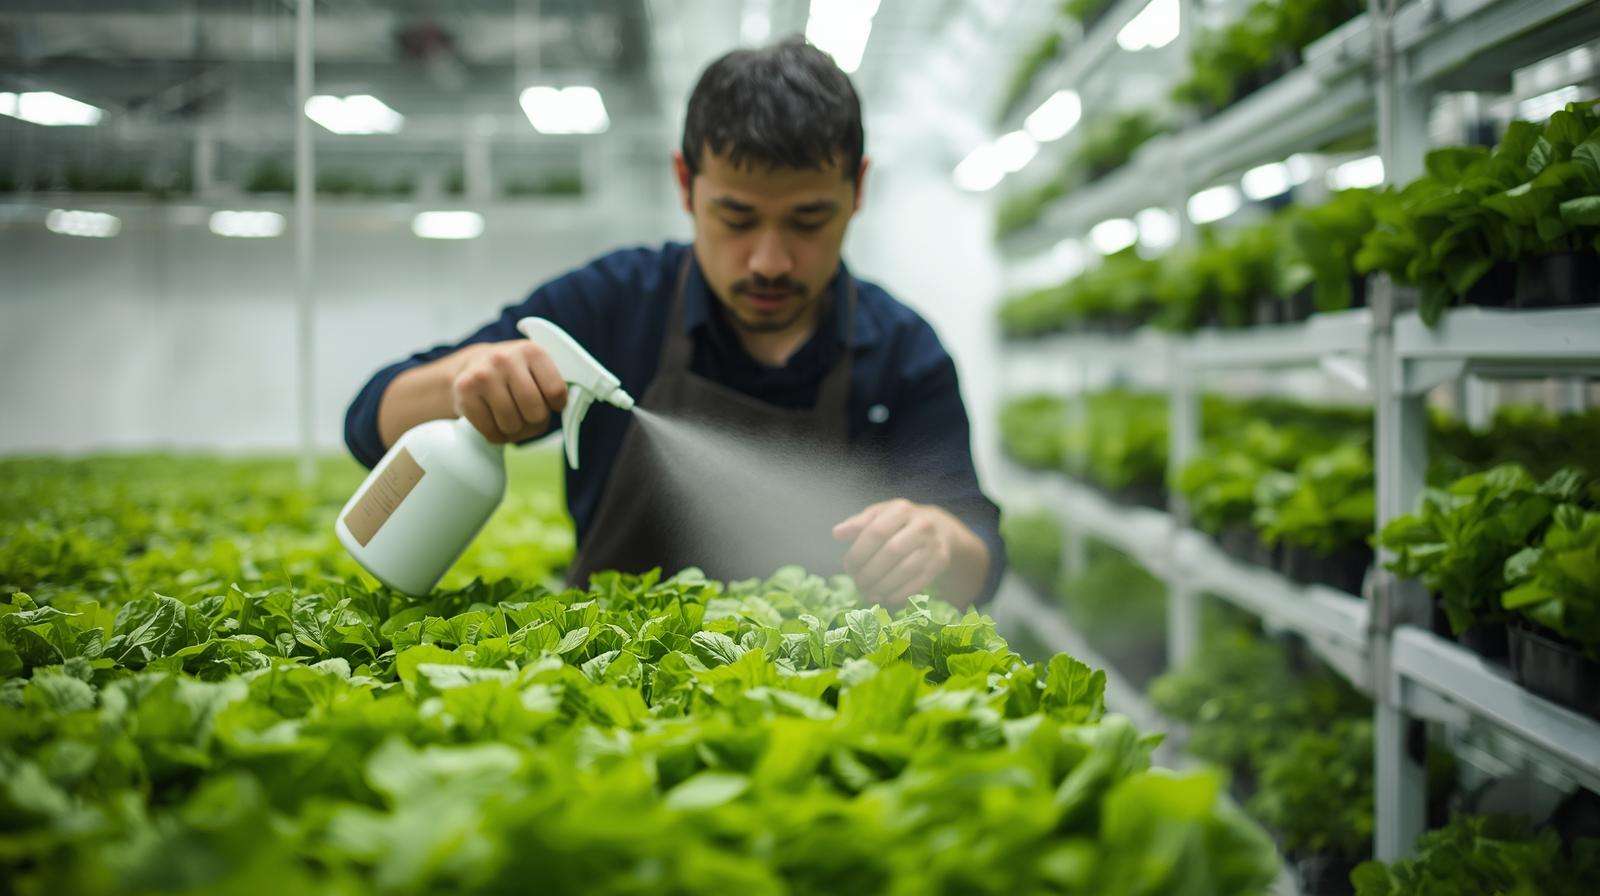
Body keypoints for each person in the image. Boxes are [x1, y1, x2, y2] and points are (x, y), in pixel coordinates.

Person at [344, 36, 1005, 607]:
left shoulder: (902, 353)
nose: (769, 261)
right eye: (736, 218)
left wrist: (941, 542)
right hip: (614, 702)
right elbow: (368, 421)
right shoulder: (614, 302)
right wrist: (467, 385)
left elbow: (980, 552)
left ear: (857, 190)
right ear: (686, 184)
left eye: (808, 220)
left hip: (823, 712)